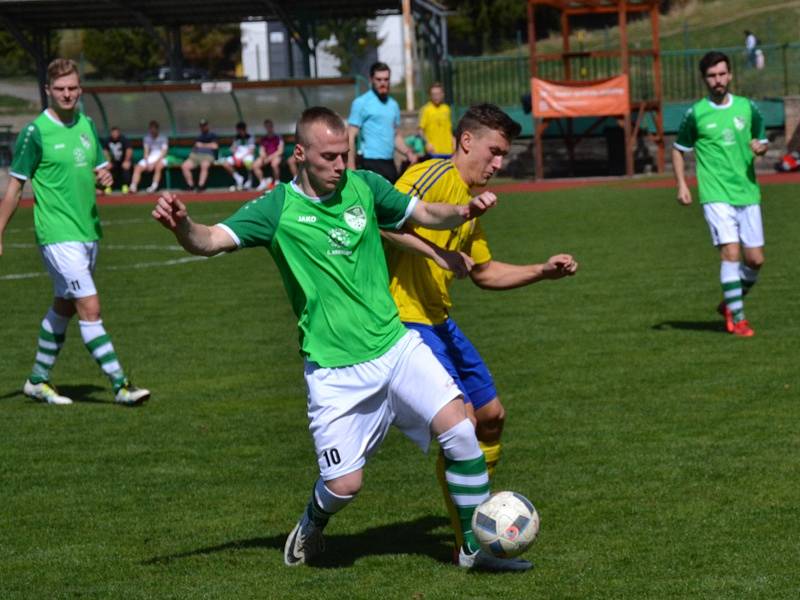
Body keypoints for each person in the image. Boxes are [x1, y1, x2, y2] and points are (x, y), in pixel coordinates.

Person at [152, 106, 529, 572]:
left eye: (344, 154)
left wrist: (463, 211)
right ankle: (312, 522)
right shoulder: (276, 208)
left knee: (462, 433)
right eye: (328, 156)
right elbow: (209, 240)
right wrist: (182, 227)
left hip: (395, 346)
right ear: (300, 155)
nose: (339, 165)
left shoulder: (365, 187)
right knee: (346, 485)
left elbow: (424, 212)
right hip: (335, 370)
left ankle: (475, 550)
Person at [383, 103, 578, 556]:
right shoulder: (429, 176)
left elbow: (485, 272)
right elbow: (380, 219)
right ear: (466, 141)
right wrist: (438, 254)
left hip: (438, 318)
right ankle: (472, 543)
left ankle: (476, 512)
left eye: (504, 156)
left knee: (492, 418)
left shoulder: (473, 202)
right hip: (402, 317)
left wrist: (541, 271)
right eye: (494, 152)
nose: (498, 164)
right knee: (465, 428)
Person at [0, 58, 150, 406]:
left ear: (79, 90)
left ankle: (37, 380)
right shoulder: (35, 133)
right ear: (48, 91)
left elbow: (99, 169)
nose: (67, 94)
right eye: (60, 89)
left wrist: (106, 177)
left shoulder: (85, 124)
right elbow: (13, 189)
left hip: (88, 232)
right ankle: (121, 386)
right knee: (89, 307)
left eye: (72, 88)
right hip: (56, 234)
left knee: (65, 305)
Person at [672, 51, 768, 337]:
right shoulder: (696, 113)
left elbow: (762, 139)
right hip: (715, 193)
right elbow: (679, 149)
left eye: (722, 74)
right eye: (712, 76)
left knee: (755, 260)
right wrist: (681, 184)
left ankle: (729, 302)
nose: (718, 80)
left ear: (730, 75)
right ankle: (737, 319)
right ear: (705, 79)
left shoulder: (748, 107)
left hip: (747, 192)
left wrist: (761, 148)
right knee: (731, 252)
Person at [347, 61, 417, 183]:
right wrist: (351, 167)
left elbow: (395, 136)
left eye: (386, 79)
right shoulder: (361, 102)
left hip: (390, 163)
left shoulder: (393, 105)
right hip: (370, 162)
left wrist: (408, 152)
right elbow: (350, 136)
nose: (383, 83)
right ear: (371, 80)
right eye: (379, 79)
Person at [130, 120, 168, 193]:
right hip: (150, 157)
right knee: (138, 167)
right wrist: (147, 163)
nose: (152, 131)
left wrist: (154, 164)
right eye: (151, 129)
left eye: (154, 129)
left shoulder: (163, 138)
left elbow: (164, 153)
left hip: (161, 157)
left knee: (158, 167)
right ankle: (133, 186)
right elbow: (146, 152)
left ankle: (154, 186)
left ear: (157, 129)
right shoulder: (146, 138)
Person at [181, 118, 218, 192]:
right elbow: (195, 148)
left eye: (204, 125)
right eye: (201, 126)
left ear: (207, 126)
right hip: (196, 156)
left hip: (208, 156)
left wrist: (202, 145)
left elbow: (215, 146)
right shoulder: (199, 137)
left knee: (204, 165)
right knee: (184, 166)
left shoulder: (212, 135)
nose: (203, 127)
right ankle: (190, 186)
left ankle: (201, 186)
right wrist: (192, 154)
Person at [418, 82, 454, 158]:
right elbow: (420, 130)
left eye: (438, 94)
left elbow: (449, 129)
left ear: (442, 94)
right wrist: (427, 143)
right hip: (433, 152)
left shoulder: (447, 109)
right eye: (433, 94)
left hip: (449, 151)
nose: (436, 97)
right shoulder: (426, 109)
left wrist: (454, 141)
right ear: (430, 96)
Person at [221, 121, 256, 191]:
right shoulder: (236, 137)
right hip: (238, 156)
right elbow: (233, 148)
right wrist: (235, 157)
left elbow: (251, 150)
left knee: (248, 162)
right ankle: (238, 178)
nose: (240, 131)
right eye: (239, 130)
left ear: (244, 129)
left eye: (241, 130)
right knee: (225, 163)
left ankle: (250, 180)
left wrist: (241, 158)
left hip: (247, 155)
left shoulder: (250, 137)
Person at [252, 118, 284, 191]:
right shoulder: (264, 138)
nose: (268, 128)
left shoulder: (278, 137)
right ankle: (262, 182)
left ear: (272, 127)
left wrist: (270, 157)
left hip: (276, 156)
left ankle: (277, 181)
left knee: (274, 164)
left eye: (270, 126)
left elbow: (280, 151)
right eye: (267, 126)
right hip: (267, 157)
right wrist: (263, 157)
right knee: (255, 165)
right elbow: (261, 150)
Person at [103, 126, 132, 194]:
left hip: (123, 161)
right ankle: (108, 186)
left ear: (119, 133)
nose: (114, 134)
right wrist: (108, 161)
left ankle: (125, 186)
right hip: (113, 162)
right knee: (106, 167)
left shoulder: (124, 139)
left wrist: (126, 160)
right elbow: (105, 151)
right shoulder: (108, 140)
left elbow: (129, 150)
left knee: (126, 167)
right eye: (113, 133)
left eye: (116, 133)